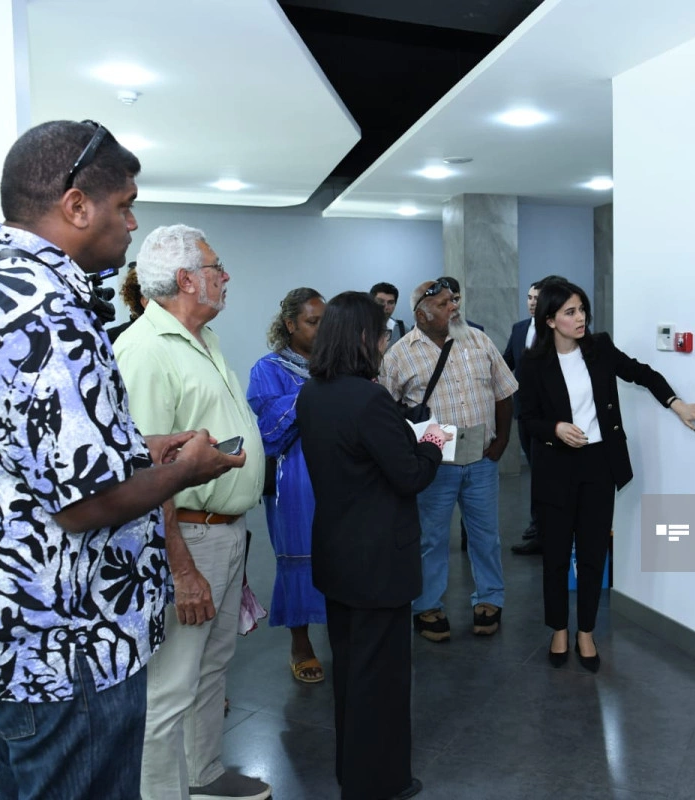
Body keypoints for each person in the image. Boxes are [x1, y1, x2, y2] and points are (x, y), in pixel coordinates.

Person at [0, 120, 243, 800]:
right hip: (64, 641)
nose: (132, 225)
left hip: (7, 625)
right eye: (124, 205)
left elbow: (14, 447)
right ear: (75, 206)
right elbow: (85, 504)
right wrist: (186, 470)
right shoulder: (42, 305)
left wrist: (136, 446)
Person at [115, 224, 269, 800]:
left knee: (211, 671)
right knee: (171, 687)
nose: (225, 276)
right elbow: (145, 476)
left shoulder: (204, 339)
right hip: (187, 540)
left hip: (225, 532)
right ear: (186, 279)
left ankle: (202, 778)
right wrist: (181, 569)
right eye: (216, 266)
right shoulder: (146, 351)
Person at [297, 291, 447, 800]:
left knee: (351, 672)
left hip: (339, 554)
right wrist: (430, 444)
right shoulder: (369, 398)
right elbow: (408, 477)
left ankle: (352, 770)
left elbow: (354, 453)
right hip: (380, 559)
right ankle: (380, 782)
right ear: (365, 338)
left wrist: (400, 432)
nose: (386, 344)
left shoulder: (313, 392)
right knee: (381, 681)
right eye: (382, 335)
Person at [516, 279, 695, 672]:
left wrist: (677, 405)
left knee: (592, 552)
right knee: (554, 555)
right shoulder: (533, 362)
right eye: (570, 312)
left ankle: (585, 631)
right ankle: (558, 629)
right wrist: (555, 428)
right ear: (550, 320)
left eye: (582, 309)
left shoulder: (599, 348)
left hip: (598, 464)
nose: (580, 317)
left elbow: (641, 373)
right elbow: (528, 417)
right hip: (556, 467)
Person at [379, 279, 517, 642]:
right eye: (443, 304)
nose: (453, 308)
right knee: (431, 538)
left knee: (486, 536)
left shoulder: (477, 339)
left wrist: (502, 440)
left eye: (453, 301)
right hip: (432, 465)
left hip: (481, 459)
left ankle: (489, 598)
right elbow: (384, 409)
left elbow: (504, 391)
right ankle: (427, 606)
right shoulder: (398, 355)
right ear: (422, 314)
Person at [247, 287, 329, 684]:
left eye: (325, 321)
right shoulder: (268, 369)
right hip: (294, 476)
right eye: (313, 322)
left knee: (341, 552)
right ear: (290, 324)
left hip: (340, 473)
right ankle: (301, 642)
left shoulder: (339, 363)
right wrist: (312, 393)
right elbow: (267, 433)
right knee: (300, 555)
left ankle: (341, 631)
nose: (321, 329)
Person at [503, 275, 564, 556]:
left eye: (536, 299)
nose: (531, 303)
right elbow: (506, 365)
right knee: (536, 471)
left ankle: (547, 529)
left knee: (550, 472)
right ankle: (537, 526)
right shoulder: (519, 330)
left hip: (553, 417)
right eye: (529, 298)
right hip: (524, 414)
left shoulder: (560, 332)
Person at [371, 281, 407, 347]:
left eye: (390, 302)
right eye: (380, 301)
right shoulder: (358, 327)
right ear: (371, 302)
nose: (386, 307)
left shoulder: (402, 330)